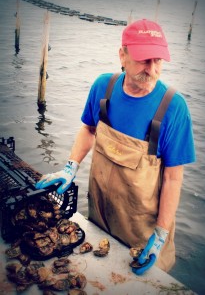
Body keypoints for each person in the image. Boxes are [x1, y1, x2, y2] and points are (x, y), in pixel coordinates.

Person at [36, 18, 196, 274]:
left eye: (159, 60)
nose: (152, 69)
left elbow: (173, 177)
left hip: (142, 230)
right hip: (100, 215)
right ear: (122, 55)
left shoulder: (174, 108)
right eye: (144, 59)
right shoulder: (104, 87)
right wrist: (70, 167)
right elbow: (88, 129)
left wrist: (161, 233)